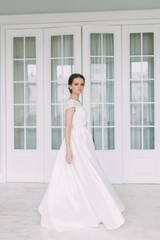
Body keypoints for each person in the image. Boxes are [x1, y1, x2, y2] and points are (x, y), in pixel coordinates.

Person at [38, 73, 125, 232]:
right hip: (75, 142)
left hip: (83, 141)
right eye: (76, 84)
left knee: (88, 173)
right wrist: (69, 150)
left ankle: (94, 207)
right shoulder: (70, 104)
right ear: (70, 86)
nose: (80, 87)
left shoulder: (78, 102)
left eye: (82, 84)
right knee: (80, 173)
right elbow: (67, 128)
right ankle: (76, 211)